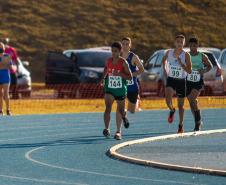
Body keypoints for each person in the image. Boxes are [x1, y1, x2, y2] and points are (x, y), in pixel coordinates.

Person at [101, 41, 132, 140]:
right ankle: (107, 129)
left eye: (116, 51)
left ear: (120, 51)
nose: (113, 53)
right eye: (112, 51)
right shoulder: (108, 61)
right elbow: (106, 69)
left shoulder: (123, 63)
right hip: (109, 88)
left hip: (120, 90)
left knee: (121, 110)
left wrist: (120, 74)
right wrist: (103, 78)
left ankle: (119, 131)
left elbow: (130, 77)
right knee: (108, 108)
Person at [162, 34, 192, 133]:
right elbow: (164, 61)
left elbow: (189, 70)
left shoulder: (186, 55)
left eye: (181, 42)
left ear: (184, 43)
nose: (179, 43)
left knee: (180, 105)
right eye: (177, 41)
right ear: (175, 43)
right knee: (167, 100)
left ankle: (180, 124)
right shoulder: (169, 53)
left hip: (181, 81)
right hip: (171, 79)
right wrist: (166, 71)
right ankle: (171, 110)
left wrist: (182, 64)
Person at [116, 37, 144, 129]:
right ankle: (120, 126)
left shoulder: (134, 57)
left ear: (130, 45)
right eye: (123, 44)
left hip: (132, 87)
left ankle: (136, 100)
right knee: (120, 107)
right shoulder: (117, 56)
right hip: (121, 86)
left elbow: (141, 69)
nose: (124, 46)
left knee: (131, 110)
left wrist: (132, 74)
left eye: (127, 44)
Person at [187, 37, 212, 131]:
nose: (192, 47)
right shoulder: (186, 55)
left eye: (194, 46)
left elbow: (210, 66)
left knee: (193, 99)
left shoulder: (202, 56)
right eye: (191, 46)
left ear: (197, 46)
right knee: (191, 101)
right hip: (188, 80)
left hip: (198, 80)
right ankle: (197, 120)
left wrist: (203, 70)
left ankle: (198, 122)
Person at [0, 42, 16, 115]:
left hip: (5, 76)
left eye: (2, 47)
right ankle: (3, 110)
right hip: (3, 75)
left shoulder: (7, 56)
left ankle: (6, 110)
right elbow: (11, 67)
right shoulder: (7, 56)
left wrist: (13, 68)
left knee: (4, 93)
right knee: (2, 94)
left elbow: (11, 67)